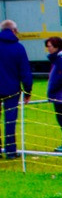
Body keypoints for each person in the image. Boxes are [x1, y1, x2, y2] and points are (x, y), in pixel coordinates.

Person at [0, 19, 32, 160]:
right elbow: (25, 72)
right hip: (12, 90)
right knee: (10, 121)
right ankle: (11, 150)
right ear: (14, 30)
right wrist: (27, 91)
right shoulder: (19, 48)